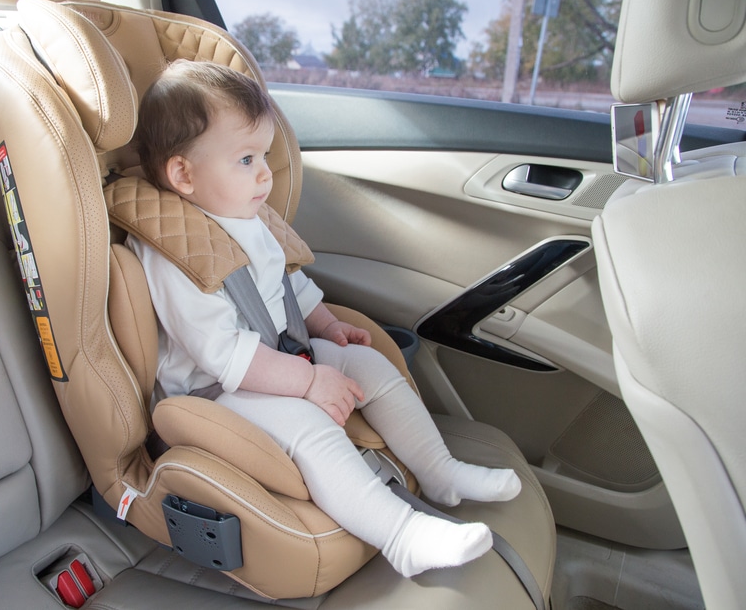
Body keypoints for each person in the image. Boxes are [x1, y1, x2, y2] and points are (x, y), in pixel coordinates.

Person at [127, 59, 521, 577]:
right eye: (246, 159)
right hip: (218, 392)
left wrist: (328, 330)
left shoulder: (246, 217)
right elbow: (225, 355)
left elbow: (286, 286)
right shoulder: (172, 254)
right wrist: (309, 381)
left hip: (277, 357)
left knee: (369, 364)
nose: (265, 172)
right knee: (309, 426)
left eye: (264, 155)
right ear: (183, 173)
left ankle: (439, 471)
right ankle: (401, 537)